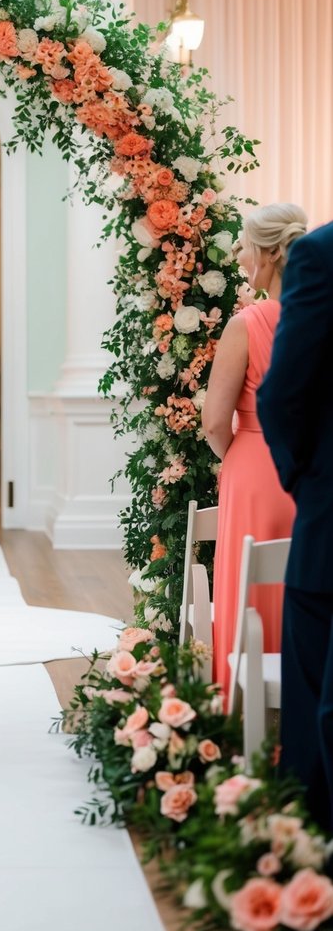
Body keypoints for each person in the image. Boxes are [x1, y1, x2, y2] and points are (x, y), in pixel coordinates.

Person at [202, 203, 307, 700]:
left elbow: (215, 421)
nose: (239, 255)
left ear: (266, 254)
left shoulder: (246, 324)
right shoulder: (322, 319)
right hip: (313, 472)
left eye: (244, 245)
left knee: (250, 591)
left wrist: (240, 457)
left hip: (254, 471)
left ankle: (245, 716)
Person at [258, 217, 333, 829]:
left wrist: (307, 481)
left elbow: (282, 396)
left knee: (315, 706)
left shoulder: (323, 254)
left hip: (329, 522)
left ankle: (309, 855)